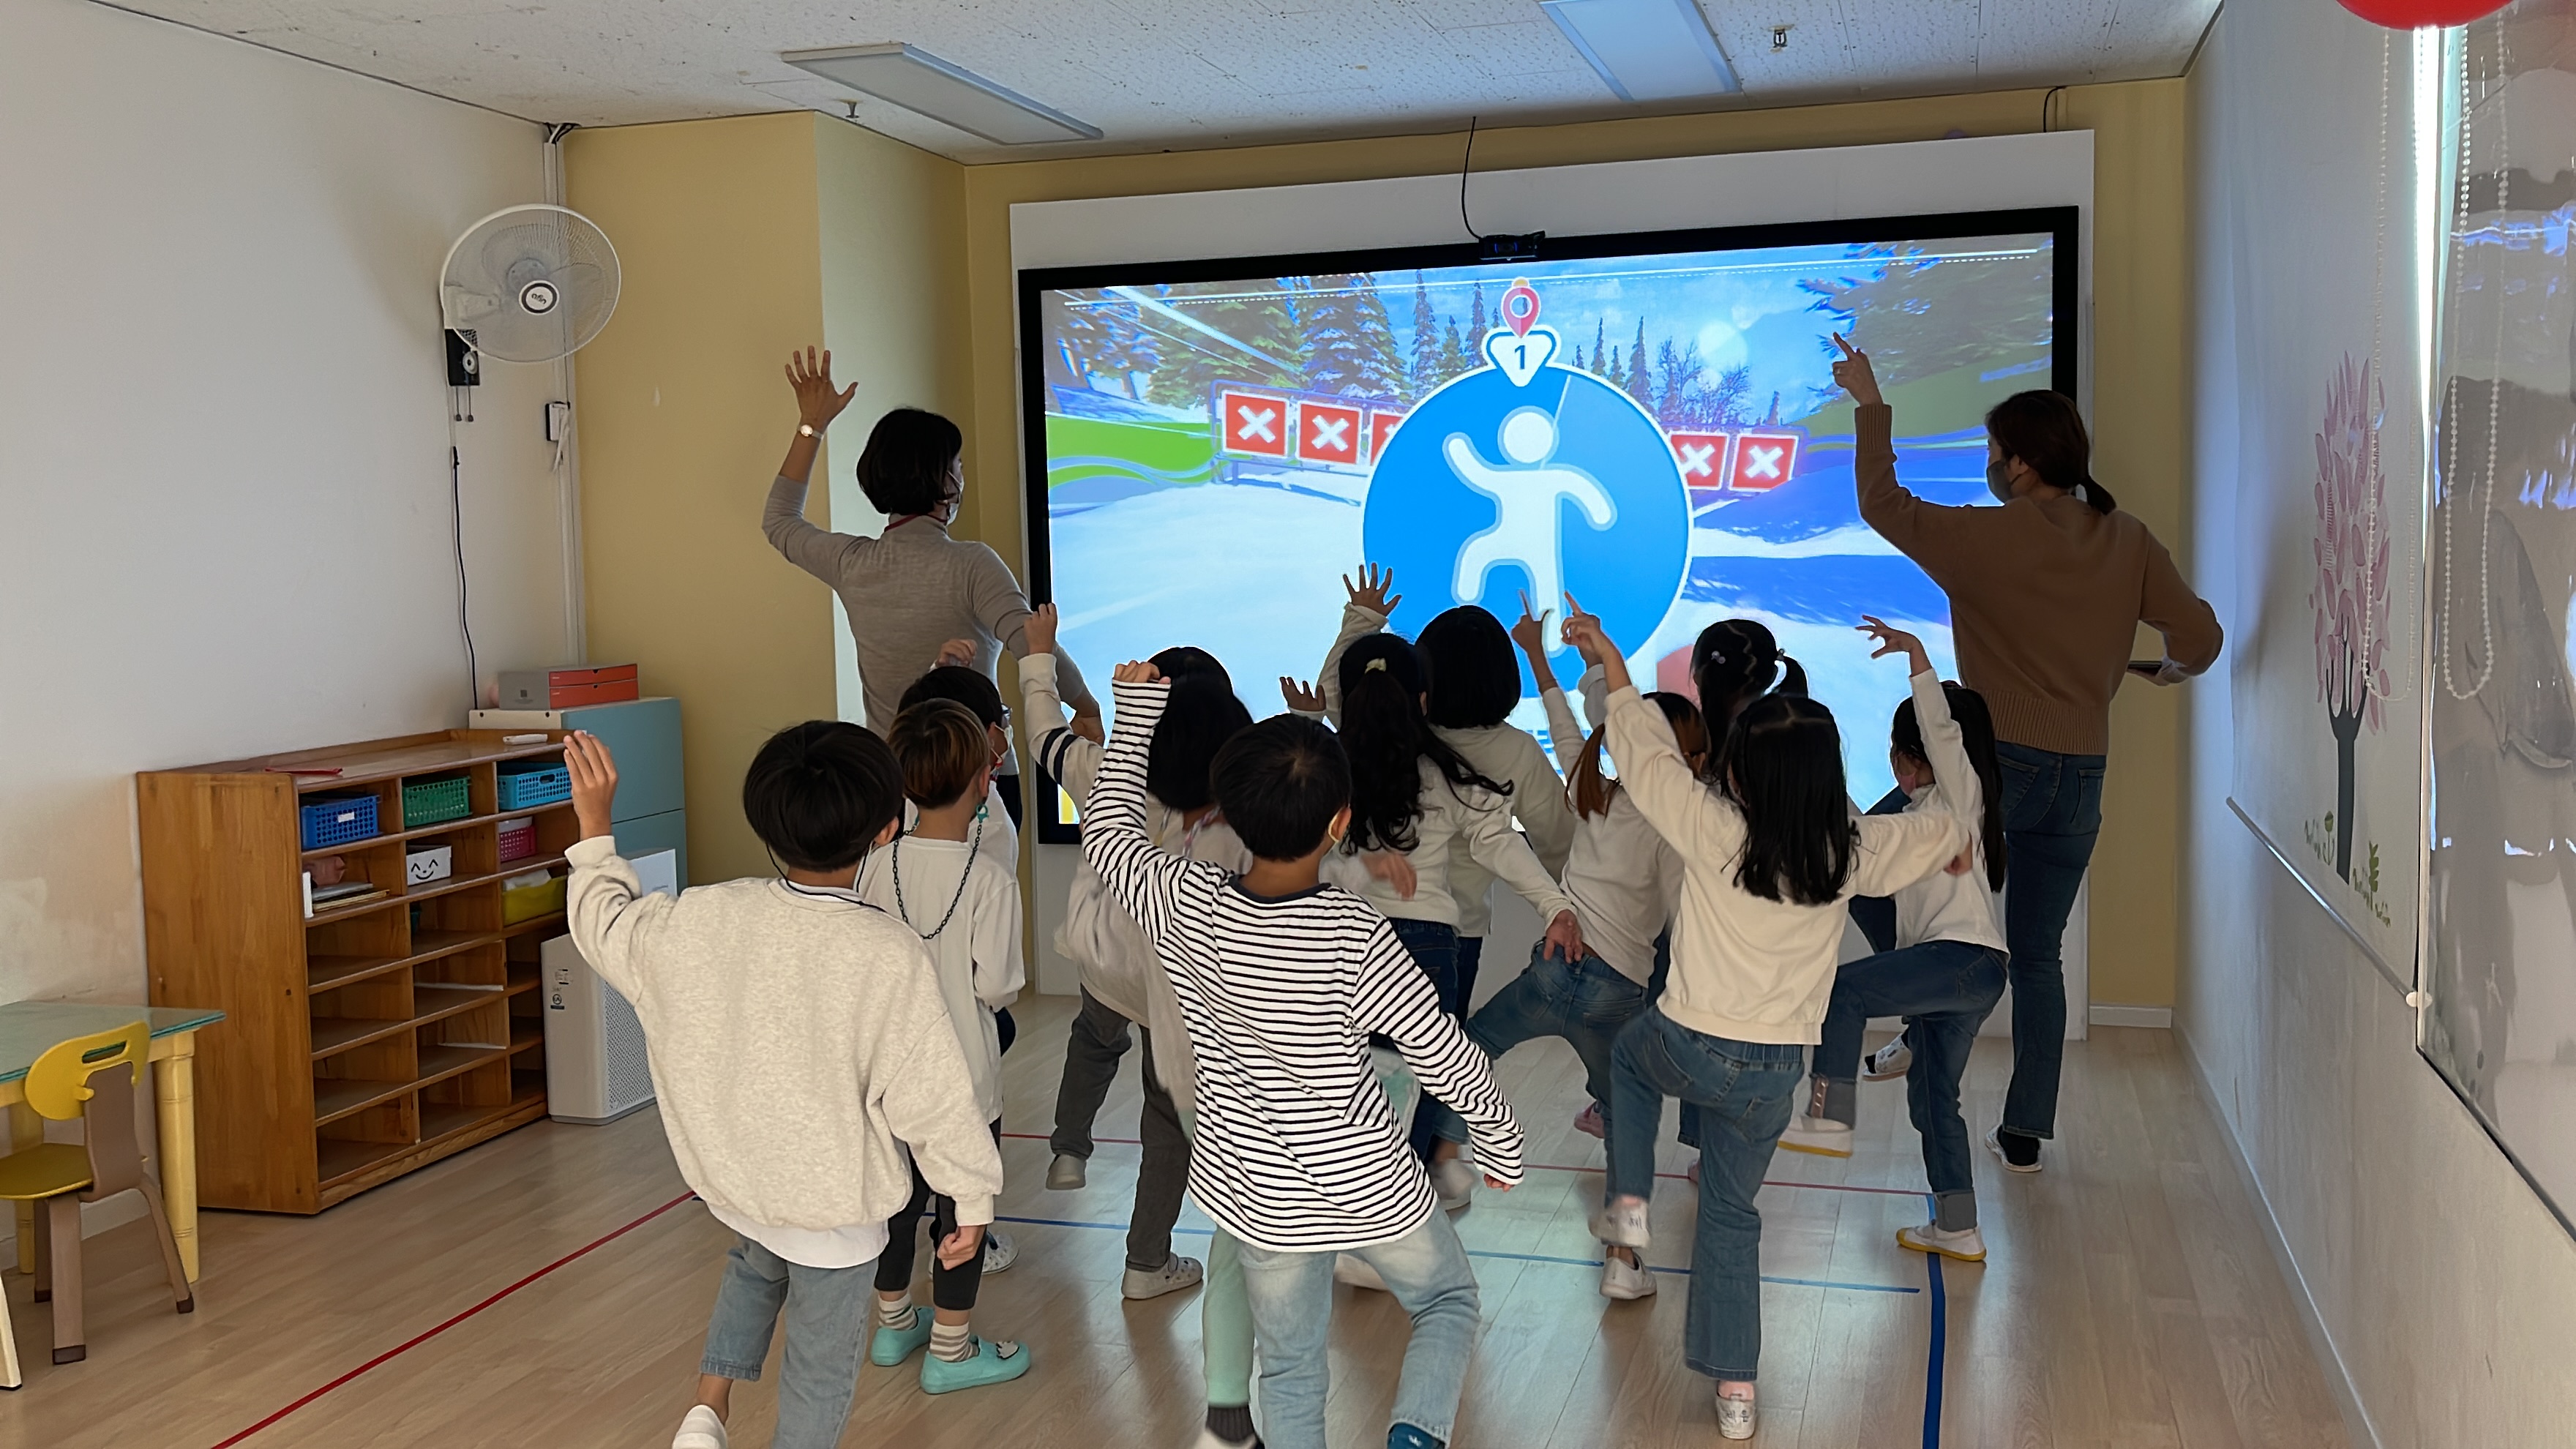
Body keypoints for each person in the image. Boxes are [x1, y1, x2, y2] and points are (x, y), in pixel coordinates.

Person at [1085, 664, 1525, 1449]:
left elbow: (1108, 831)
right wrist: (1500, 1140)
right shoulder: (1356, 933)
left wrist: (1139, 707)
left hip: (1260, 1195)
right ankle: (1415, 1433)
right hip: (1369, 1183)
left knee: (1289, 1371)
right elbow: (1443, 1054)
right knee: (1446, 1302)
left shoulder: (1185, 902)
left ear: (1232, 811)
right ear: (1339, 823)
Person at [1568, 601, 1971, 1442]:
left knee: (1630, 1063)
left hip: (1688, 1042)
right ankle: (1737, 1392)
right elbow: (1955, 812)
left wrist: (1611, 661)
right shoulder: (1850, 848)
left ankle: (1630, 1206)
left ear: (1739, 777)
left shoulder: (1714, 827)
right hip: (1774, 1076)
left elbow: (1642, 752)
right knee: (1729, 1217)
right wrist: (1923, 676)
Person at [1834, 337, 2222, 1171]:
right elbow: (2201, 639)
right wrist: (2160, 671)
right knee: (2038, 955)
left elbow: (1883, 504)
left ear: (2018, 465)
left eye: (1992, 450)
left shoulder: (1991, 536)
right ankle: (2024, 1131)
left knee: (1857, 855)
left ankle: (1920, 1004)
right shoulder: (2129, 539)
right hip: (2081, 779)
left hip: (1995, 772)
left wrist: (1870, 403)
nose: (1988, 463)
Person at [560, 724, 1002, 1449]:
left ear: (766, 820)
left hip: (741, 1180)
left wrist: (596, 827)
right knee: (818, 1375)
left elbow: (601, 922)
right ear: (886, 830)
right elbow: (933, 1098)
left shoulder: (698, 916)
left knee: (756, 1262)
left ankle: (708, 1410)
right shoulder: (888, 953)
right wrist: (972, 1198)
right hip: (834, 1209)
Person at [1420, 594, 1698, 1287]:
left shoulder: (1591, 792)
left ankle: (1444, 1172)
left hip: (1551, 969)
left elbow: (1566, 727)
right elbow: (1684, 917)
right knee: (1627, 1116)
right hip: (1617, 991)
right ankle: (1623, 1257)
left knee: (1465, 1053)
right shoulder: (1682, 830)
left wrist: (1543, 660)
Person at [1290, 566, 1582, 1197]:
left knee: (1349, 1072)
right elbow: (1531, 839)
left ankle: (1349, 1187)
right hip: (1445, 936)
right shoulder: (1481, 760)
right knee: (1431, 1070)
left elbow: (1338, 694)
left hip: (1345, 936)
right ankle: (1408, 1188)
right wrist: (1560, 903)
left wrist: (1360, 622)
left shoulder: (1359, 744)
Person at [762, 345, 1097, 831]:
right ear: (942, 481)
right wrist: (1085, 705)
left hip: (891, 782)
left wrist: (812, 425)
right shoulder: (972, 564)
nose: (961, 475)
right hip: (978, 781)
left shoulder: (851, 563)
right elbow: (1033, 645)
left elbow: (779, 521)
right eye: (957, 465)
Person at [1019, 604, 1236, 1300]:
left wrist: (1039, 654)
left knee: (1093, 1037)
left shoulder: (1104, 769)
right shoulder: (1239, 802)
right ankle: (1147, 1263)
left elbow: (1042, 732)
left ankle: (1068, 1148)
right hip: (1179, 987)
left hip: (1105, 962)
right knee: (1165, 1118)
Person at [1779, 618, 2012, 1263]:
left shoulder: (1960, 803)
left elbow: (1943, 734)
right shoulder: (1912, 819)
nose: (1896, 763)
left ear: (1927, 755)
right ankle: (1958, 1226)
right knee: (1934, 1102)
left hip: (1963, 961)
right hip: (1959, 978)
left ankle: (1829, 1115)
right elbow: (1855, 841)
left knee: (1844, 991)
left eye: (1902, 751)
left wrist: (1918, 660)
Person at [855, 700, 1030, 1391]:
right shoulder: (989, 878)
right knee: (963, 1211)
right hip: (964, 1079)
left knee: (896, 1207)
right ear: (984, 781)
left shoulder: (875, 866)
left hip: (888, 1075)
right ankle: (951, 1351)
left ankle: (895, 1326)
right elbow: (999, 986)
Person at [1412, 602, 1578, 1013]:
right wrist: (1568, 907)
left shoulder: (1399, 735)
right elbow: (1558, 842)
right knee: (1440, 1046)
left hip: (1373, 922)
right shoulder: (1518, 749)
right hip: (1458, 929)